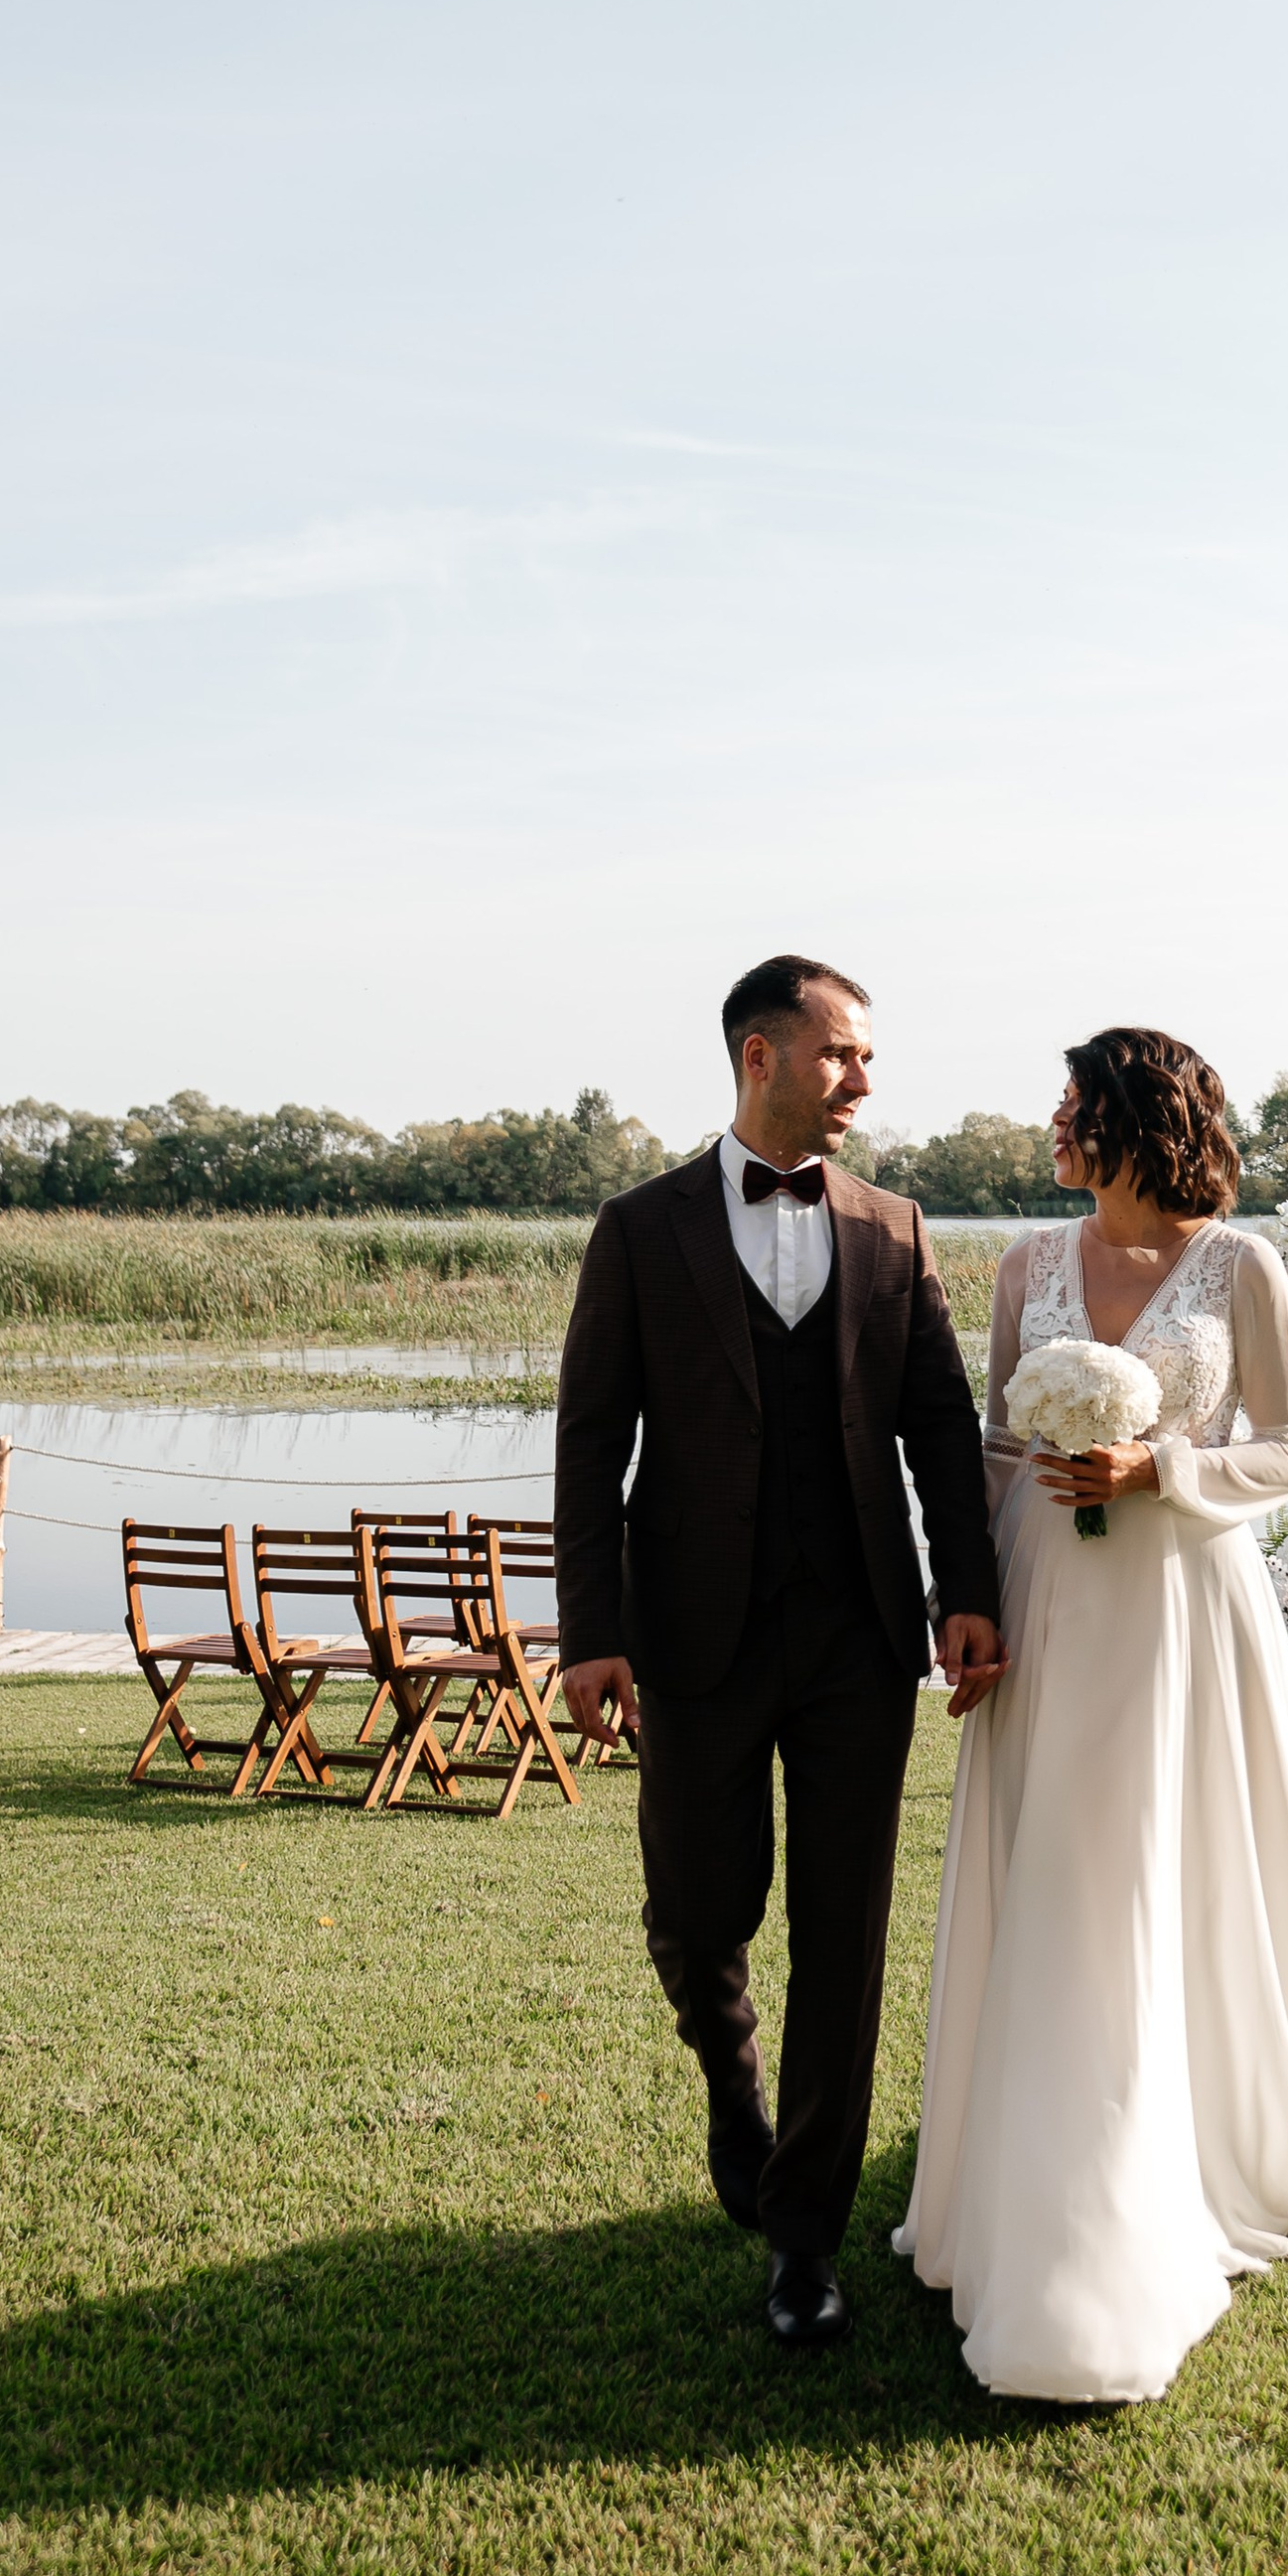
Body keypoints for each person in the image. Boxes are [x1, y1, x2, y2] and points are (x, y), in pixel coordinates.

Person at [894, 1023, 1288, 2403]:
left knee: (1172, 1863)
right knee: (1061, 1868)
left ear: (1134, 1116)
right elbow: (1000, 1442)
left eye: (1073, 1105)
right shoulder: (1028, 1265)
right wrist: (977, 1604)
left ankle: (1199, 2142)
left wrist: (1159, 1468)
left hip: (1186, 1605)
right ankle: (1038, 2160)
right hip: (1050, 1599)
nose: (1054, 1128)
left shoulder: (1242, 1269)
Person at [554, 955, 1002, 2351]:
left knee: (846, 1936)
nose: (863, 1081)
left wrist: (966, 1594)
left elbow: (938, 1428)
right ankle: (734, 2095)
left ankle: (802, 2239)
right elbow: (589, 1442)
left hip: (860, 1633)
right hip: (691, 1632)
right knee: (698, 1912)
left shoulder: (896, 1230)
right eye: (844, 1055)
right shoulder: (640, 1231)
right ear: (763, 1054)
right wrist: (594, 1632)